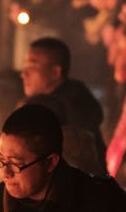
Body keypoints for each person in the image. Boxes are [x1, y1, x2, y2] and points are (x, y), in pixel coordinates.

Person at [20, 37, 107, 176]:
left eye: (33, 67)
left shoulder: (70, 112)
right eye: (25, 67)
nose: (24, 74)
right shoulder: (39, 104)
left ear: (55, 73)